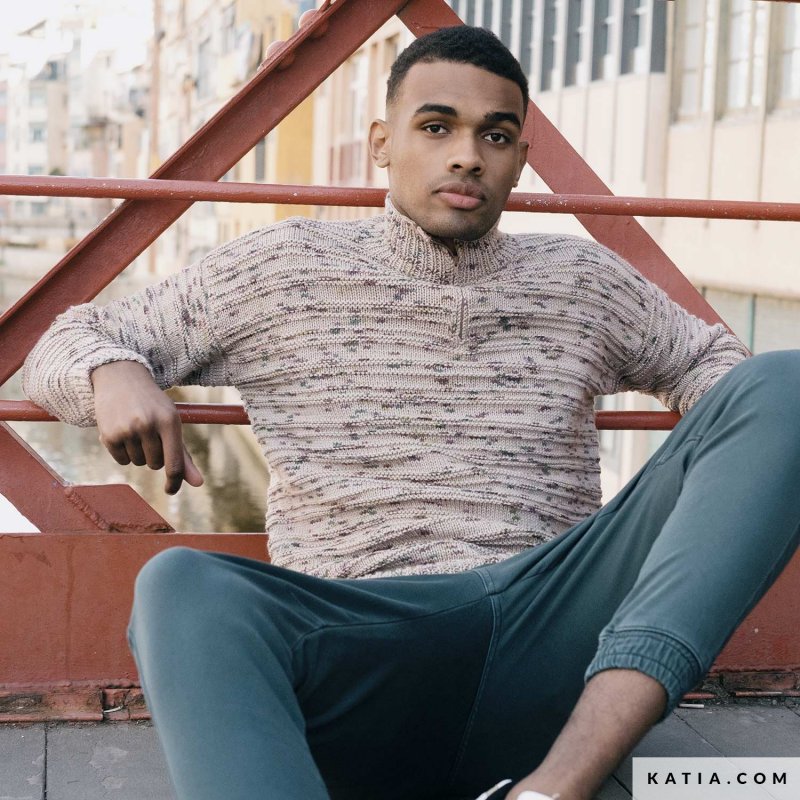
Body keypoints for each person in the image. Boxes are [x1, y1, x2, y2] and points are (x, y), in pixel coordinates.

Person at [22, 25, 800, 800]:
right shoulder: (279, 268)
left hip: (554, 627)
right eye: (436, 127)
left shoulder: (584, 280)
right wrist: (113, 371)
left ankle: (557, 788)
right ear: (382, 143)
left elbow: (718, 373)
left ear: (520, 159)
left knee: (784, 382)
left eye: (496, 135)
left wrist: (723, 449)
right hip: (363, 643)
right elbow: (67, 338)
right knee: (180, 586)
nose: (467, 156)